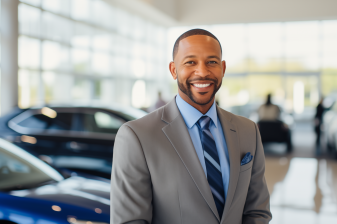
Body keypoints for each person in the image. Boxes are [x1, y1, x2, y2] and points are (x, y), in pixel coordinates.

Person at [111, 29, 272, 224]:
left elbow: (257, 211)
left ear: (223, 68)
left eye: (212, 62)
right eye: (190, 62)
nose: (203, 72)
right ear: (173, 70)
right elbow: (131, 221)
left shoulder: (248, 130)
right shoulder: (137, 136)